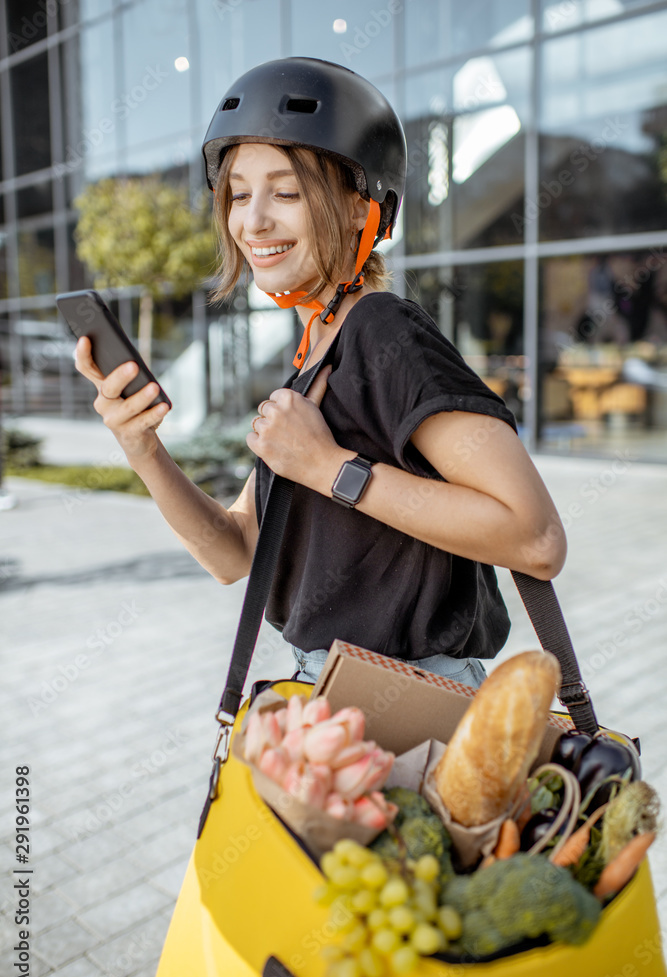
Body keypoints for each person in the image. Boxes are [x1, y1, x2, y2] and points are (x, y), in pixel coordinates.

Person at [74, 57, 566, 689]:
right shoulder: (316, 350)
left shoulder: (384, 332)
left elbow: (537, 539)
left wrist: (328, 468)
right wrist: (140, 446)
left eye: (286, 192)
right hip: (324, 687)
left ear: (362, 208)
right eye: (240, 194)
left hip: (411, 699)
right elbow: (235, 553)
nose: (253, 222)